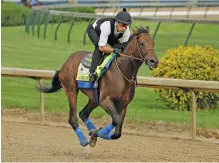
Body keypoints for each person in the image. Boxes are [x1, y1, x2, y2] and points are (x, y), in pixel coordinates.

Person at [87, 8, 132, 82]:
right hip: (94, 31)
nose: (125, 28)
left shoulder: (126, 30)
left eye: (127, 25)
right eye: (123, 25)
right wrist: (114, 50)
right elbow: (102, 48)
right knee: (98, 47)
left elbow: (125, 47)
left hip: (110, 35)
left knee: (122, 48)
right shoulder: (106, 26)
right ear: (117, 22)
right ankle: (91, 73)